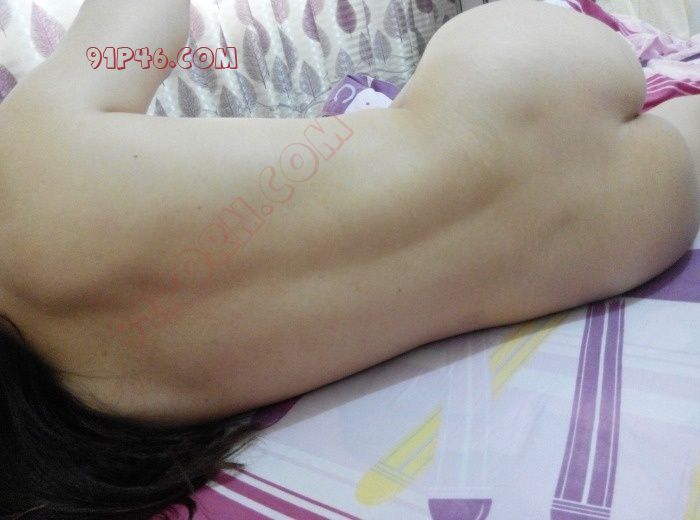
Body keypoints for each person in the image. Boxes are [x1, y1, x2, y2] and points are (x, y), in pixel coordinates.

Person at [0, 0, 698, 518]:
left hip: (621, 232)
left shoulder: (74, 434)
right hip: (523, 73)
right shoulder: (24, 166)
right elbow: (141, 26)